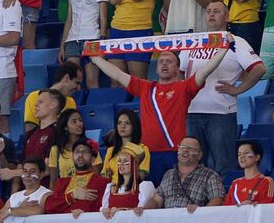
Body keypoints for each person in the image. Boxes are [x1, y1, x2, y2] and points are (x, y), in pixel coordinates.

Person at [92, 48, 229, 182]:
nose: (164, 64)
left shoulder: (183, 88)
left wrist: (223, 49)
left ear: (177, 69)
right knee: (151, 195)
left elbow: (204, 72)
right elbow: (117, 74)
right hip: (148, 154)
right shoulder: (145, 87)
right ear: (156, 69)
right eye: (161, 61)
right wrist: (95, 58)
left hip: (175, 153)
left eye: (169, 61)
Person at [183, 2, 266, 172]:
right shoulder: (194, 41)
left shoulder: (236, 42)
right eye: (209, 11)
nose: (211, 14)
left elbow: (259, 69)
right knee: (193, 166)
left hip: (220, 112)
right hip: (191, 111)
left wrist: (238, 89)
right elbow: (180, 72)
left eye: (217, 11)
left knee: (223, 165)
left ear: (227, 17)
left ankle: (225, 198)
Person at [145, 136, 223, 210]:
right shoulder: (168, 174)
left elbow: (218, 200)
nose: (185, 150)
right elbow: (156, 200)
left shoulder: (210, 175)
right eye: (182, 147)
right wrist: (144, 210)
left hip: (195, 221)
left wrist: (201, 211)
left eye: (190, 148)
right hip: (169, 222)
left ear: (199, 155)